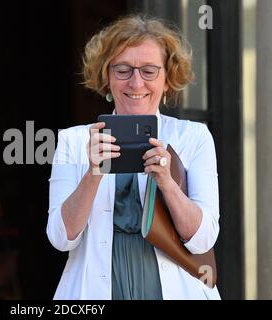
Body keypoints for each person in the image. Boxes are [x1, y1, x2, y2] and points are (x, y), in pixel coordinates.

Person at [46, 14, 220, 300]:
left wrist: (167, 183)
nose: (136, 83)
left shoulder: (194, 137)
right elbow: (61, 239)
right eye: (123, 69)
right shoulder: (73, 141)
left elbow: (202, 240)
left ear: (167, 79)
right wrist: (93, 173)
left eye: (149, 71)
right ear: (107, 77)